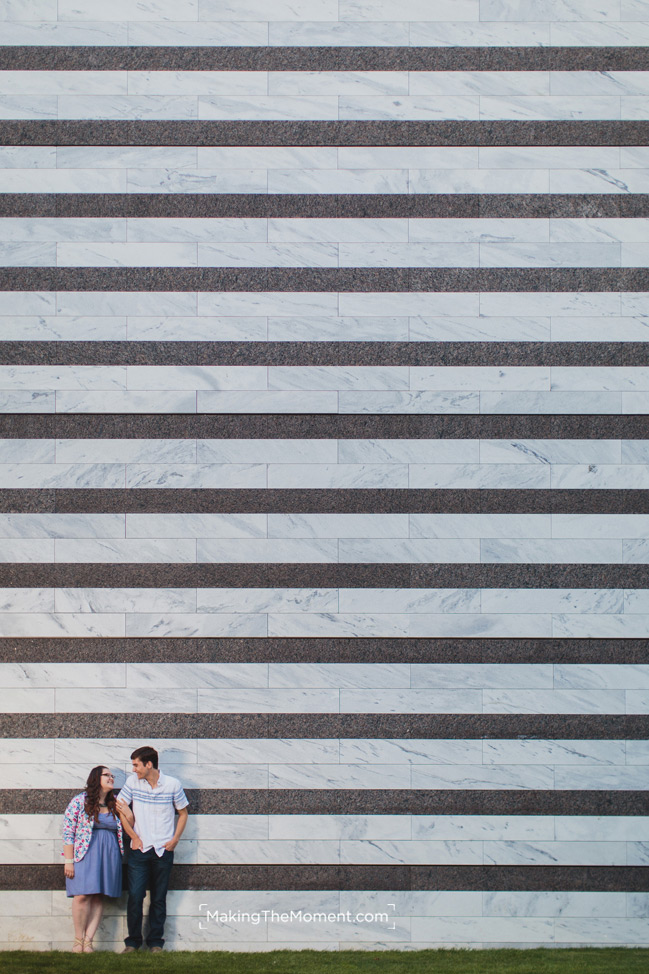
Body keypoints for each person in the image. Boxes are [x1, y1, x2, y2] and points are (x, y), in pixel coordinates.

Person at [116, 745, 189, 953]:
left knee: (159, 897)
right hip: (139, 851)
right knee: (136, 896)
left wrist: (175, 840)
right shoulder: (133, 783)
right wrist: (134, 836)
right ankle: (132, 943)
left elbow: (183, 814)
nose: (134, 769)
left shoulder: (172, 785)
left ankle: (156, 943)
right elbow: (120, 808)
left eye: (136, 765)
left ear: (149, 764)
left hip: (163, 851)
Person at [62, 766, 130, 953]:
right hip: (85, 853)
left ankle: (88, 941)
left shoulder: (115, 803)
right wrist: (69, 861)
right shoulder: (79, 801)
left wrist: (128, 813)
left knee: (99, 895)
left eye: (112, 775)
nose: (111, 778)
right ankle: (78, 940)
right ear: (96, 778)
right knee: (82, 895)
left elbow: (128, 827)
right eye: (107, 775)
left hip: (109, 855)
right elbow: (68, 831)